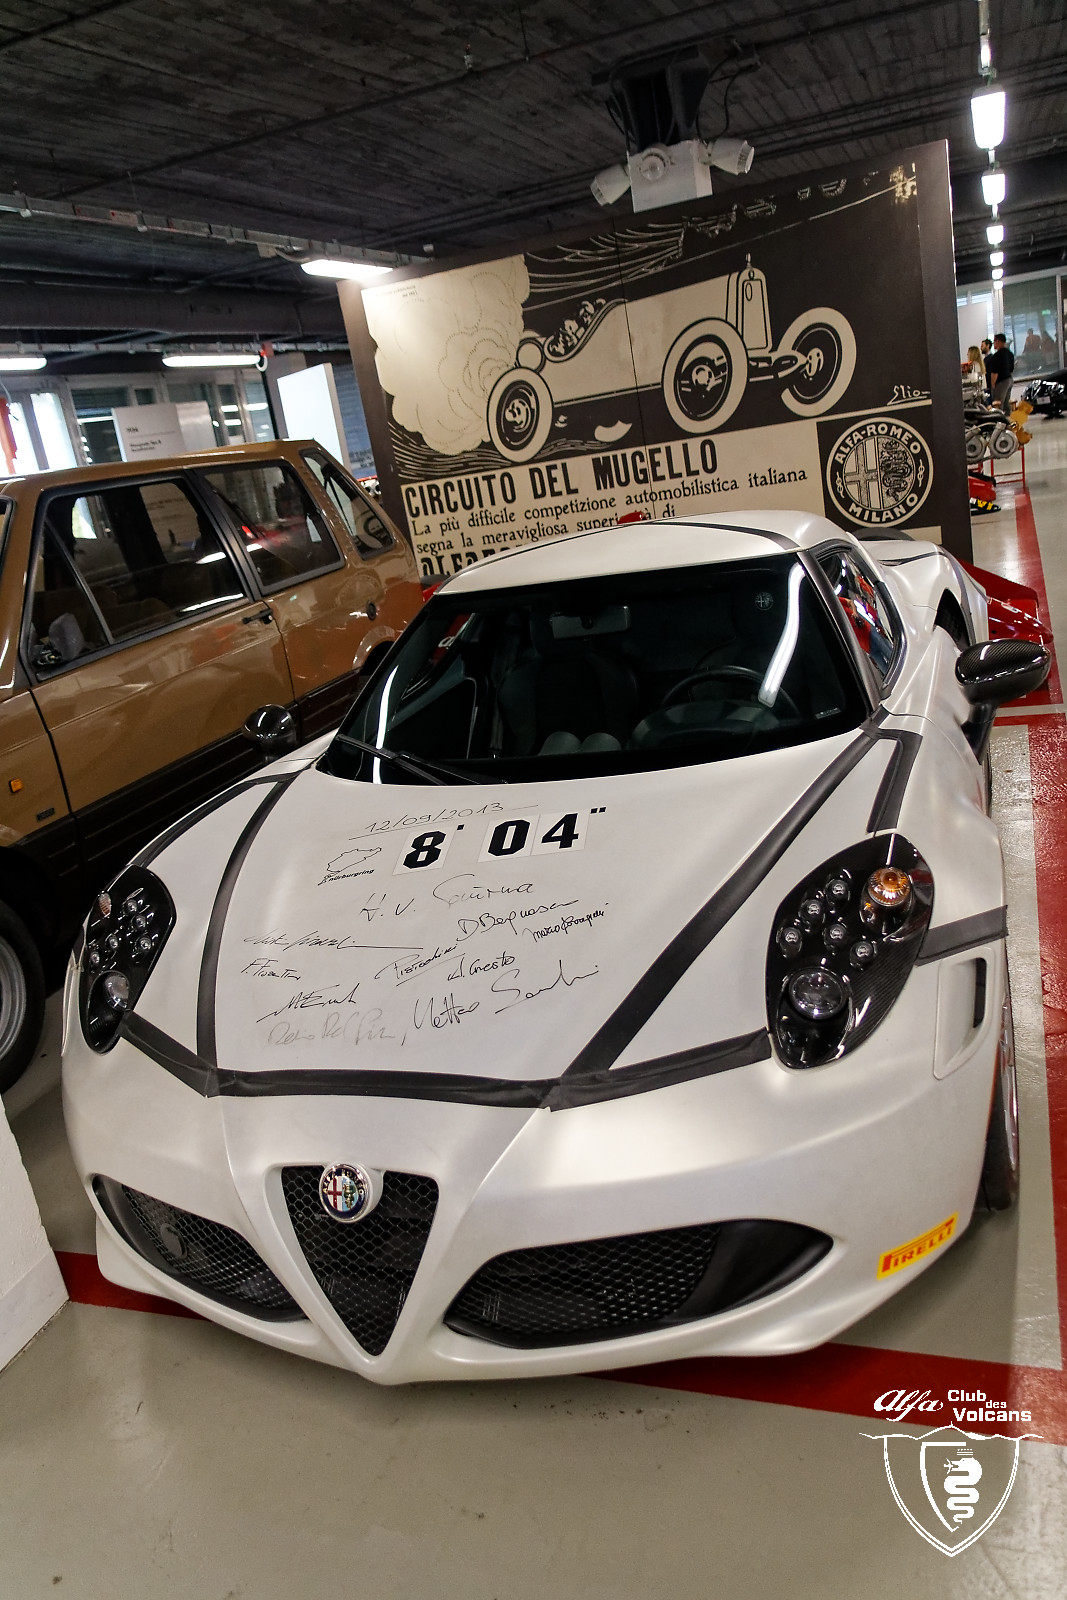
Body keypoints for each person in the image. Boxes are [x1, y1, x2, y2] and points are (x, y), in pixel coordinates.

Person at [988, 332, 1015, 409]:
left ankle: (999, 416)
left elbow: (994, 373)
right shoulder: (1010, 353)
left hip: (1001, 382)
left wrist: (993, 385)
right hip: (1009, 380)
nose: (993, 343)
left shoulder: (997, 356)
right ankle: (1008, 416)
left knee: (998, 403)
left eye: (994, 341)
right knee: (1006, 404)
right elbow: (1011, 369)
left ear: (998, 341)